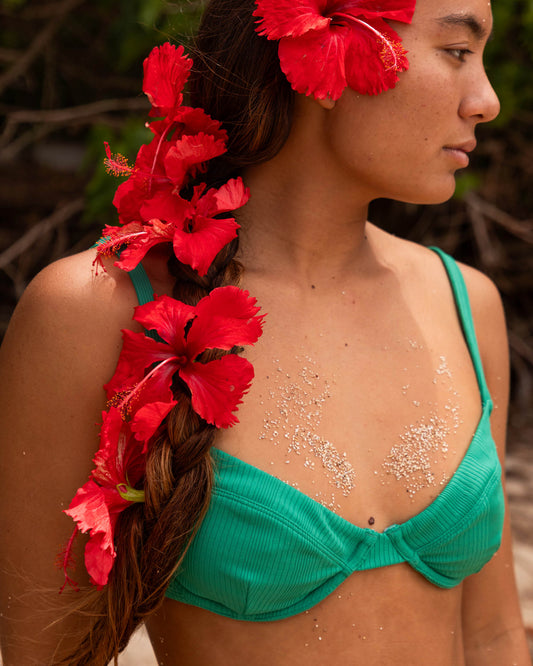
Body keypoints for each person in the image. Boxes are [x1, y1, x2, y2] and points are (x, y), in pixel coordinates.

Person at [0, 0, 530, 663]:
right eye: (455, 52)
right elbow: (46, 654)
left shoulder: (463, 304)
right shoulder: (93, 314)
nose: (485, 101)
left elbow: (492, 638)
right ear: (323, 51)